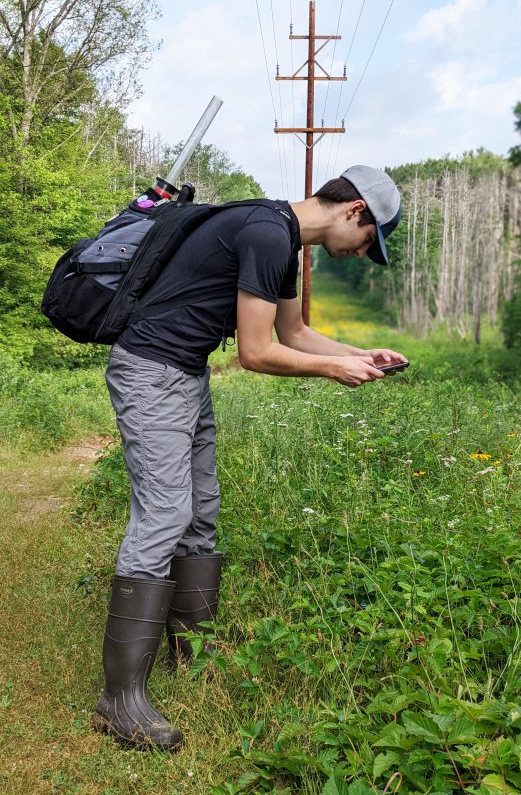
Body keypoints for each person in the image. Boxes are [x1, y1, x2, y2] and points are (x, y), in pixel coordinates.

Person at [91, 164, 407, 750]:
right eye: (369, 242)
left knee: (201, 511)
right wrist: (335, 369)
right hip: (151, 373)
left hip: (184, 374)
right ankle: (119, 700)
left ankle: (193, 655)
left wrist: (359, 352)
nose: (362, 254)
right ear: (355, 211)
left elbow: (294, 333)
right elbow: (257, 354)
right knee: (163, 514)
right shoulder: (266, 231)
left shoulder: (280, 240)